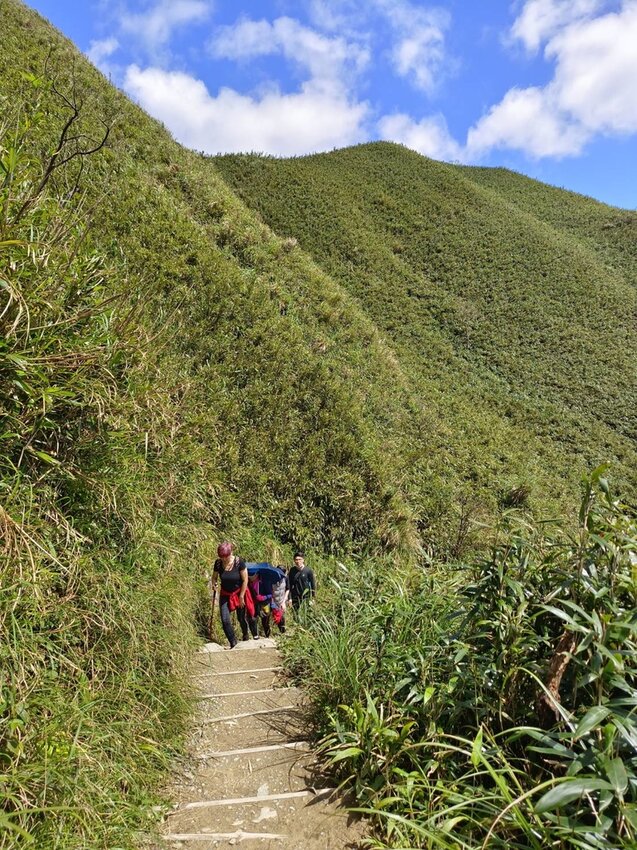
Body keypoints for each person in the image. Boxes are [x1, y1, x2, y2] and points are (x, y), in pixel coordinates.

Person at [211, 541, 256, 648]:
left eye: (225, 556)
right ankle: (233, 642)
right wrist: (214, 583)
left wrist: (241, 596)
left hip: (239, 593)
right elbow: (214, 577)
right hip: (225, 594)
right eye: (221, 557)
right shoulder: (218, 563)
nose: (223, 559)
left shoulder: (239, 562)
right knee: (225, 620)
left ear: (230, 553)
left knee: (241, 618)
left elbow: (245, 580)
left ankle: (245, 633)